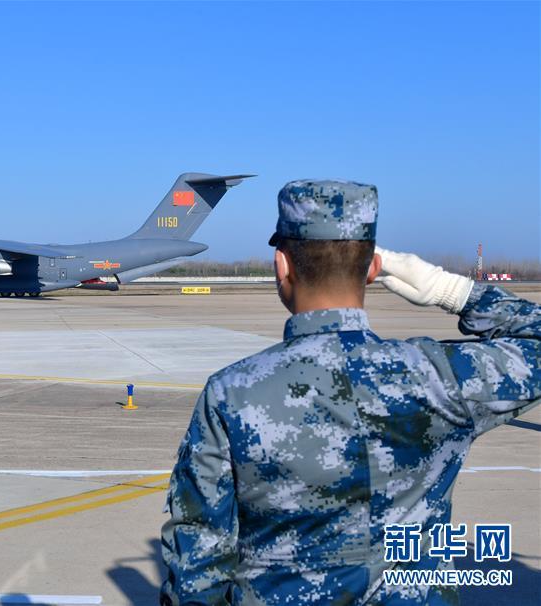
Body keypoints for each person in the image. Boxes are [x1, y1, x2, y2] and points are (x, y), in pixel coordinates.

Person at [160, 180, 540, 604]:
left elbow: (198, 568)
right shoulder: (439, 378)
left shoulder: (232, 394)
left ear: (281, 265)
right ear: (374, 269)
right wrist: (451, 292)